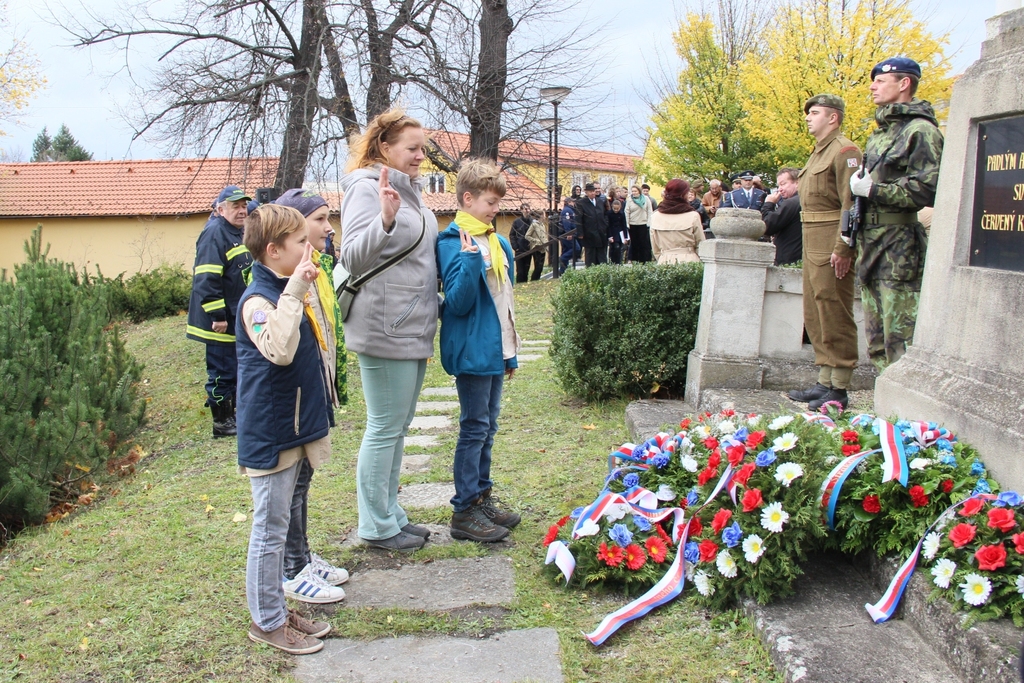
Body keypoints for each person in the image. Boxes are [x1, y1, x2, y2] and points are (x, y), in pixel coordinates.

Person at [236, 203, 335, 655]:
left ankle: (276, 608)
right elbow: (278, 348)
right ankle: (267, 622)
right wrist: (294, 291)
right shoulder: (257, 301)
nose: (309, 248)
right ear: (274, 251)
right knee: (270, 528)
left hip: (293, 426)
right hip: (272, 432)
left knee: (278, 524)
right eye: (300, 243)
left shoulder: (284, 287)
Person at [340, 109, 437, 551]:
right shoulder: (365, 188)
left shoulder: (408, 189)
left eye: (423, 148)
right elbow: (353, 257)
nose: (421, 156)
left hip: (411, 322)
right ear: (384, 147)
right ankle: (376, 525)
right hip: (384, 325)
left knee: (397, 426)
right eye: (412, 148)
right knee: (383, 426)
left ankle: (390, 513)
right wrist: (383, 220)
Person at [435, 159, 522, 543]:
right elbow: (457, 302)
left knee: (489, 426)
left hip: (495, 349)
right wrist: (470, 262)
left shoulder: (498, 242)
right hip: (472, 351)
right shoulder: (452, 243)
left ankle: (482, 496)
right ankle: (464, 510)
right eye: (489, 201)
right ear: (466, 199)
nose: (495, 209)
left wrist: (510, 353)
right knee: (474, 429)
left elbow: (505, 302)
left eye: (497, 202)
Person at [272, 189, 350, 604]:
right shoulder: (284, 278)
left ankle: (301, 556)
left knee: (305, 478)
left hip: (317, 387)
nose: (328, 227)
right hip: (295, 399)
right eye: (319, 219)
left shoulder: (317, 266)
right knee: (293, 483)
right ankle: (292, 568)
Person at [850, 57, 944, 370]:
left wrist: (874, 191)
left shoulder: (922, 132)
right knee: (876, 337)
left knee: (899, 337)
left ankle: (904, 416)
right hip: (871, 240)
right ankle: (885, 413)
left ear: (904, 84)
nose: (872, 86)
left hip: (900, 246)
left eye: (880, 80)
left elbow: (925, 189)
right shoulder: (880, 134)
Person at [787, 94, 861, 410]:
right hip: (813, 238)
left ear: (833, 118)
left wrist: (844, 246)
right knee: (815, 313)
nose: (808, 117)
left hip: (832, 239)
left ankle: (840, 386)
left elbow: (852, 202)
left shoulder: (846, 151)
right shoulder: (818, 153)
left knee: (834, 310)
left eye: (814, 113)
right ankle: (825, 381)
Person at [187, 185, 254, 438]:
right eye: (235, 206)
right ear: (220, 209)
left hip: (234, 316)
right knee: (222, 372)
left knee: (235, 368)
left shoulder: (237, 232)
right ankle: (222, 422)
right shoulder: (215, 233)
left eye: (243, 205)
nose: (241, 210)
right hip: (219, 320)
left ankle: (234, 415)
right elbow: (206, 278)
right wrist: (217, 316)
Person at [649, 178, 705, 263]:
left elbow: (655, 247)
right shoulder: (693, 215)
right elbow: (701, 244)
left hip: (665, 261)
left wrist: (662, 257)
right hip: (690, 260)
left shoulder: (655, 216)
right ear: (683, 195)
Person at [761, 168, 802, 266]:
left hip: (788, 259)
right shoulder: (804, 200)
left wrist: (768, 204)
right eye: (778, 185)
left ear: (797, 183)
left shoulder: (791, 203)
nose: (780, 189)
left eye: (783, 184)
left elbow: (767, 226)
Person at [576, 182, 608, 266]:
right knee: (590, 255)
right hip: (589, 232)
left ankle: (602, 271)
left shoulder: (600, 201)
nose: (593, 193)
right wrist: (580, 233)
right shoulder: (581, 203)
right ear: (586, 192)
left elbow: (605, 215)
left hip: (601, 231)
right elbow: (579, 218)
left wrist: (605, 225)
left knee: (602, 256)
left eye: (593, 191)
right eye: (590, 191)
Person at [510, 204, 542, 283]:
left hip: (529, 248)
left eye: (528, 209)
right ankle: (519, 284)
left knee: (526, 269)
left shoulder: (532, 221)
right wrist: (515, 246)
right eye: (525, 209)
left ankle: (525, 283)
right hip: (519, 249)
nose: (527, 211)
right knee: (520, 271)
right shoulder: (517, 222)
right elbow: (512, 234)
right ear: (521, 210)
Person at [625, 185, 651, 262]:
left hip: (643, 224)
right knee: (634, 244)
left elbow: (649, 210)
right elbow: (627, 212)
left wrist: (649, 222)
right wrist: (627, 224)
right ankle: (635, 260)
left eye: (635, 191)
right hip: (633, 225)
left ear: (639, 191)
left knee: (643, 244)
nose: (634, 193)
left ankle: (644, 261)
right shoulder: (629, 200)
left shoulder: (646, 199)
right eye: (632, 191)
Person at [558, 197, 579, 273]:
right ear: (569, 202)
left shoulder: (570, 210)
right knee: (576, 248)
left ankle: (562, 271)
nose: (574, 203)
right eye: (573, 202)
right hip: (567, 234)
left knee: (566, 250)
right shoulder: (567, 210)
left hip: (568, 234)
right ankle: (562, 258)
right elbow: (566, 223)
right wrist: (568, 233)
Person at [607, 199, 629, 264]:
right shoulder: (609, 213)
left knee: (619, 248)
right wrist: (609, 236)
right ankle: (612, 261)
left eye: (617, 208)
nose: (616, 210)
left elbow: (624, 225)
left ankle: (618, 262)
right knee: (614, 247)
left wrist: (625, 237)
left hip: (620, 233)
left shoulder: (622, 213)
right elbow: (608, 226)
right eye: (614, 208)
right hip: (612, 232)